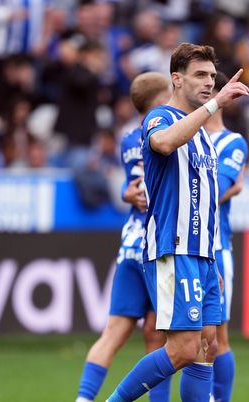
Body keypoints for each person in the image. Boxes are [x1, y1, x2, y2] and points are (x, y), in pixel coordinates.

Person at [105, 43, 249, 402]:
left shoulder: (202, 136)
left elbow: (206, 203)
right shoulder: (159, 117)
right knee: (184, 349)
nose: (208, 83)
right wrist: (216, 104)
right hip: (173, 249)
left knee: (209, 345)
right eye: (200, 75)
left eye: (212, 77)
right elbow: (164, 143)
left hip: (202, 254)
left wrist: (211, 259)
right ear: (176, 78)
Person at [75, 72, 171, 402]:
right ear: (161, 101)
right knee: (163, 339)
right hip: (158, 243)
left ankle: (83, 399)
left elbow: (133, 184)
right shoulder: (166, 133)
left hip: (130, 239)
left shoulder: (128, 138)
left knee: (114, 333)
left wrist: (126, 194)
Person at [205, 72, 249, 402]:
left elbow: (217, 189)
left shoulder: (232, 142)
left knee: (217, 336)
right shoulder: (184, 137)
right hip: (179, 246)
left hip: (215, 247)